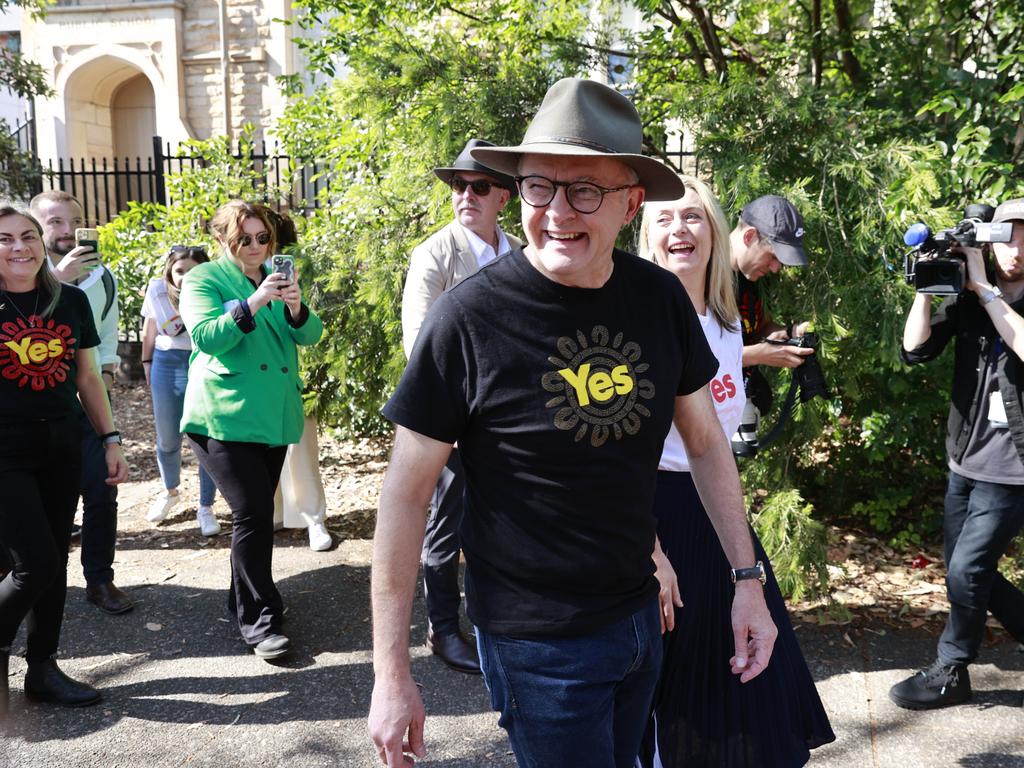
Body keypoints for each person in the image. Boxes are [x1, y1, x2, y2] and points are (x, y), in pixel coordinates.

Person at [367, 78, 776, 768]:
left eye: (585, 190)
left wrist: (747, 582)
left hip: (643, 618)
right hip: (537, 642)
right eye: (538, 187)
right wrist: (390, 676)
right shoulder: (465, 320)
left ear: (630, 203)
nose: (557, 211)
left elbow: (706, 445)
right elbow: (406, 494)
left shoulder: (658, 300)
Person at [637, 177, 835, 766]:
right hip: (653, 513)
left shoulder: (723, 319)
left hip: (715, 515)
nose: (680, 230)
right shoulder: (636, 320)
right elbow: (612, 456)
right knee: (677, 699)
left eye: (694, 217)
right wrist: (646, 548)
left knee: (754, 681)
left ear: (716, 231)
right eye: (665, 219)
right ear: (645, 235)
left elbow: (713, 441)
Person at [890, 198, 1024, 710]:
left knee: (967, 571)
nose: (1013, 248)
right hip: (965, 457)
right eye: (1004, 235)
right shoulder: (967, 299)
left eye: (1021, 236)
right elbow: (914, 350)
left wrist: (986, 289)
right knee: (965, 570)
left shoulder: (986, 294)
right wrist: (929, 287)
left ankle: (952, 669)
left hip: (1013, 467)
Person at [179, 201, 323, 661]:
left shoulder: (278, 279)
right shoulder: (204, 279)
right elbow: (206, 337)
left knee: (254, 516)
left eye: (264, 238)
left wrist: (297, 309)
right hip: (222, 414)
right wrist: (256, 301)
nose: (257, 247)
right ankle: (262, 620)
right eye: (246, 239)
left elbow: (310, 336)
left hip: (273, 413)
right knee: (254, 514)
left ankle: (242, 601)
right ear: (223, 239)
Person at [0, 202, 129, 715]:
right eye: (5, 239)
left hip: (62, 444)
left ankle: (43, 669)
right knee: (37, 563)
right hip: (3, 451)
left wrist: (111, 438)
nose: (20, 247)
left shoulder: (70, 301)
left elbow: (87, 378)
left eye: (27, 236)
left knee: (53, 565)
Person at [400, 138, 521, 674]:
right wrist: (455, 418)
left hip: (510, 417)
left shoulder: (518, 251)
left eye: (478, 186)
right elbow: (420, 346)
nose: (464, 195)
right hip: (453, 418)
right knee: (445, 527)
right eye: (457, 186)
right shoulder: (433, 255)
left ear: (504, 198)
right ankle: (442, 628)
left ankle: (495, 618)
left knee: (504, 521)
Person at [29, 191, 132, 616]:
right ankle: (34, 582)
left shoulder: (101, 277)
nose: (66, 230)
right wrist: (58, 277)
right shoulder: (16, 276)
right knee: (36, 496)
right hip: (31, 407)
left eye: (73, 221)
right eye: (53, 222)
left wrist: (104, 379)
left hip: (86, 400)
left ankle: (99, 579)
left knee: (101, 489)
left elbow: (105, 338)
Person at [266, 209, 333, 553]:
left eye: (265, 236)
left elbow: (317, 325)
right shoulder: (239, 275)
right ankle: (276, 511)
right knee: (264, 447)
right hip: (261, 374)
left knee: (302, 447)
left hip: (300, 369)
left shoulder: (304, 267)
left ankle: (312, 517)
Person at [141, 246, 220, 536]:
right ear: (170, 273)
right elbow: (149, 326)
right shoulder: (158, 293)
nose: (186, 277)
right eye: (180, 271)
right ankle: (170, 490)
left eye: (193, 271)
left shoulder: (214, 289)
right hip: (166, 362)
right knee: (167, 436)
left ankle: (206, 506)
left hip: (203, 362)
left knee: (204, 436)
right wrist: (146, 360)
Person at [728, 196, 814, 451]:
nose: (776, 268)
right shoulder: (703, 275)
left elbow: (755, 327)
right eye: (773, 256)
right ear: (749, 237)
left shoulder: (751, 274)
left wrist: (788, 333)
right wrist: (760, 355)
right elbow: (694, 358)